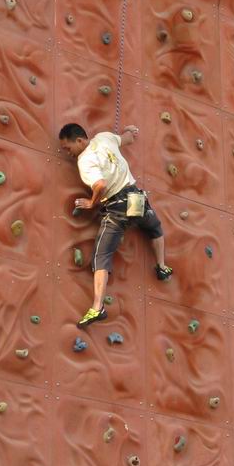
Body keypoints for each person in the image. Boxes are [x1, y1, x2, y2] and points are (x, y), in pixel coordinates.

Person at [59, 122, 171, 327]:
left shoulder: (85, 161)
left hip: (117, 206)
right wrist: (130, 130)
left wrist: (91, 203)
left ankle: (97, 307)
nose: (68, 153)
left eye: (68, 148)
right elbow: (127, 138)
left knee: (101, 255)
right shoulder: (104, 137)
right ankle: (162, 267)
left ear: (80, 141)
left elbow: (100, 184)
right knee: (154, 227)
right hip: (136, 198)